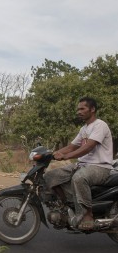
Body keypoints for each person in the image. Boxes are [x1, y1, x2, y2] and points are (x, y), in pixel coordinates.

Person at [44, 97, 113, 230]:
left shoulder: (100, 125)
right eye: (78, 109)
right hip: (82, 165)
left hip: (100, 167)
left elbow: (88, 147)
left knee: (79, 178)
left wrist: (65, 156)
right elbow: (71, 146)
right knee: (50, 176)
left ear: (92, 109)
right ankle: (66, 205)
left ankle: (87, 214)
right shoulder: (84, 129)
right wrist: (51, 155)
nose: (79, 112)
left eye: (82, 108)